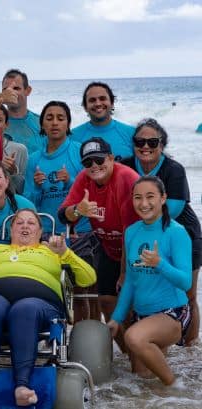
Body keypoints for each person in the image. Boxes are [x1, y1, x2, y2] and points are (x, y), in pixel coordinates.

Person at [0, 209, 96, 406]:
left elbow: (89, 278)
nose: (25, 226)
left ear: (40, 231)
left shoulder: (52, 252)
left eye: (31, 223)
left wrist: (64, 253)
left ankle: (22, 386)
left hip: (40, 303)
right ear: (11, 230)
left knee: (25, 308)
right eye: (19, 223)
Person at [121, 118, 201, 346]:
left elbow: (172, 210)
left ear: (162, 145)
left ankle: (189, 346)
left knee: (188, 294)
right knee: (145, 293)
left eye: (152, 142)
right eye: (140, 141)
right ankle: (153, 344)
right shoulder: (125, 165)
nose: (145, 147)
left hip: (182, 234)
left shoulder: (173, 169)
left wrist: (140, 220)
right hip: (144, 234)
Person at [107, 176, 191, 385]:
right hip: (143, 315)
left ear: (163, 198)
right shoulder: (131, 232)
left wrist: (160, 264)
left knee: (134, 338)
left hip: (173, 313)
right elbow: (130, 282)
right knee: (142, 379)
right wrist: (116, 318)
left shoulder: (176, 233)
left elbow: (185, 282)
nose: (143, 204)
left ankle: (175, 388)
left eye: (150, 196)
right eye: (138, 198)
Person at [58, 137, 139, 342]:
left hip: (138, 249)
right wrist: (77, 210)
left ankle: (143, 357)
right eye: (88, 163)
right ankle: (129, 355)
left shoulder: (126, 178)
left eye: (99, 160)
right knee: (106, 301)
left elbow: (131, 234)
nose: (94, 166)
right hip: (109, 248)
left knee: (133, 306)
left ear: (111, 158)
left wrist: (124, 274)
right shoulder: (84, 180)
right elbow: (62, 214)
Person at [24, 101, 97, 321]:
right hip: (46, 232)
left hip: (79, 232)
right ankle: (56, 339)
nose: (55, 122)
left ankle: (88, 340)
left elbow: (92, 191)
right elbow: (28, 202)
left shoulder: (78, 151)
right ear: (42, 125)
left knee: (83, 291)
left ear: (68, 124)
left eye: (60, 118)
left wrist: (71, 182)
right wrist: (37, 187)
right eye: (49, 118)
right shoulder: (34, 159)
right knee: (47, 289)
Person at [70, 81, 134, 161]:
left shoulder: (131, 133)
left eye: (102, 99)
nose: (98, 103)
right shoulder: (73, 136)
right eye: (92, 100)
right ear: (85, 107)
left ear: (112, 102)